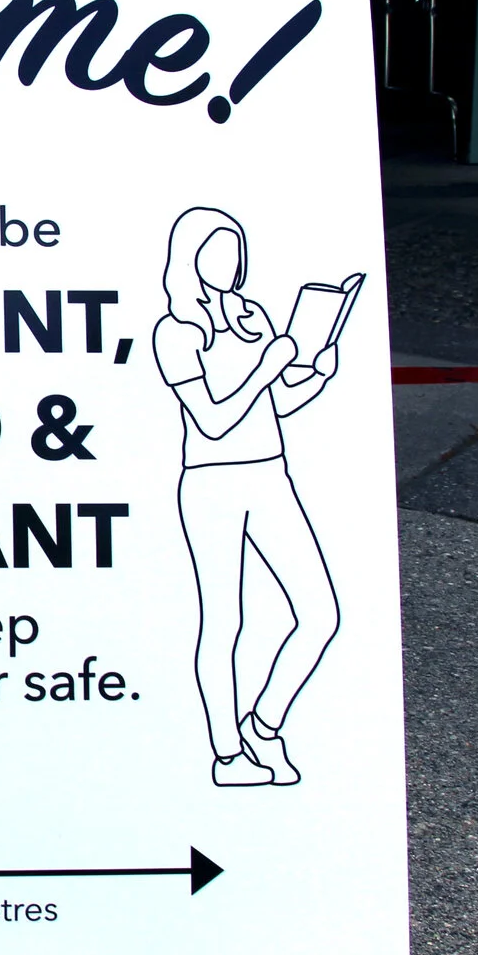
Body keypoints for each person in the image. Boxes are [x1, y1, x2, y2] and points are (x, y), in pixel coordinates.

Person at [152, 208, 341, 788]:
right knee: (224, 620)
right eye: (215, 250)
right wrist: (269, 365)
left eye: (234, 249)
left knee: (320, 613)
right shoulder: (175, 331)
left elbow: (274, 406)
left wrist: (316, 374)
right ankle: (226, 753)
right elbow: (212, 419)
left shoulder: (251, 315)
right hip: (212, 480)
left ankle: (264, 720)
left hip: (270, 472)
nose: (228, 262)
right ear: (189, 258)